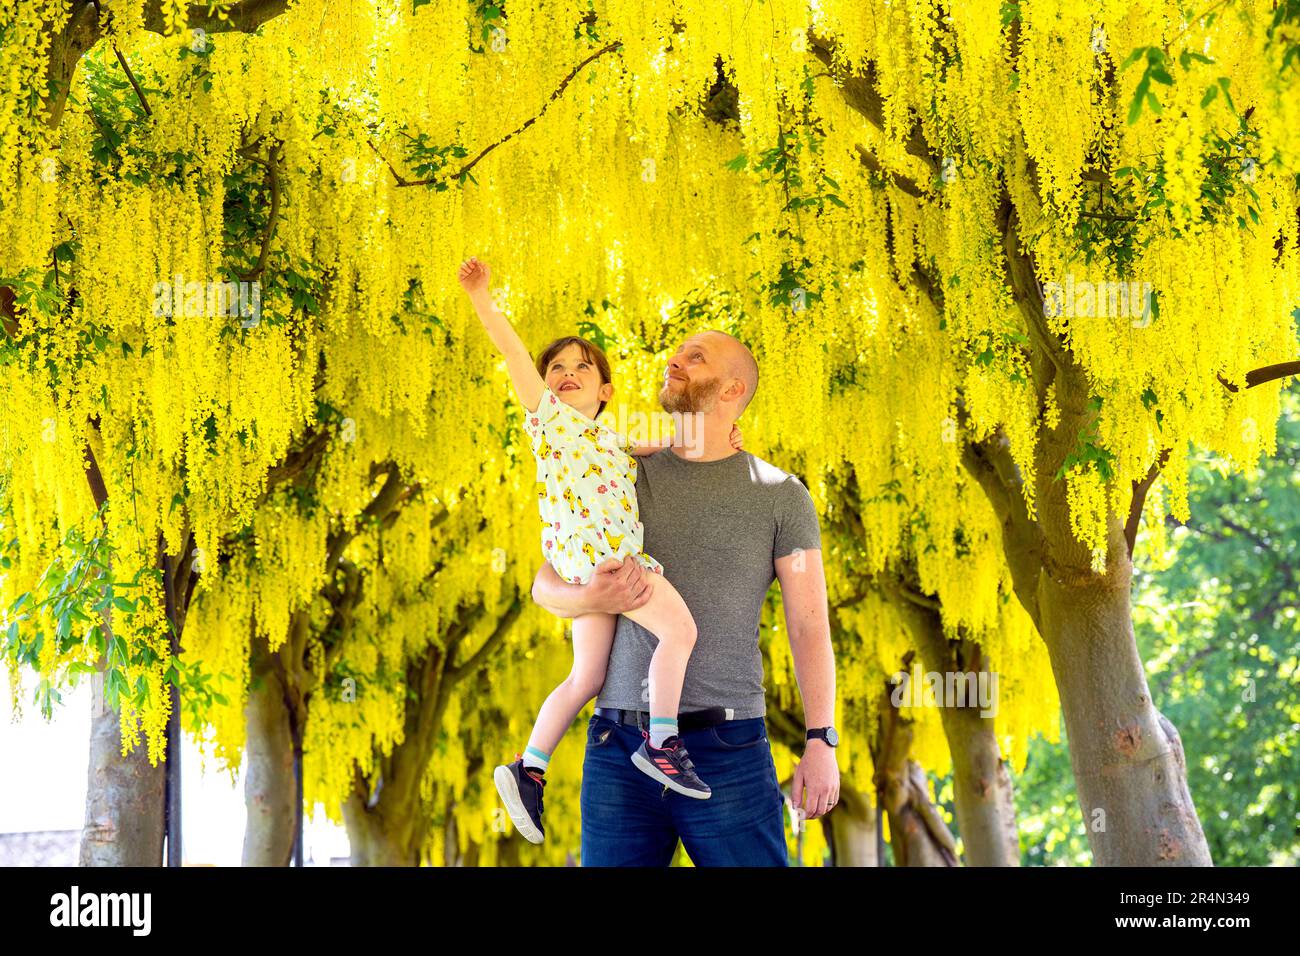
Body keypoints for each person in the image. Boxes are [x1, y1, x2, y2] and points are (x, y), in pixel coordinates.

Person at [457, 256, 742, 845]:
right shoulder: (552, 423)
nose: (564, 374)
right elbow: (512, 354)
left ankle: (530, 768)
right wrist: (483, 297)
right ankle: (662, 743)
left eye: (580, 369)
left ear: (606, 390)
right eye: (554, 368)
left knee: (585, 676)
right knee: (681, 633)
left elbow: (665, 440)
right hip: (606, 558)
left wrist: (721, 435)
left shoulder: (608, 438)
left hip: (582, 564)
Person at [532, 328, 839, 866]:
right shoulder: (623, 471)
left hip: (729, 746)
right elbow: (546, 583)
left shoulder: (782, 496)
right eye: (676, 353)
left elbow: (809, 624)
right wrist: (587, 597)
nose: (674, 361)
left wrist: (821, 739)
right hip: (618, 746)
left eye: (695, 358)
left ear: (730, 391)